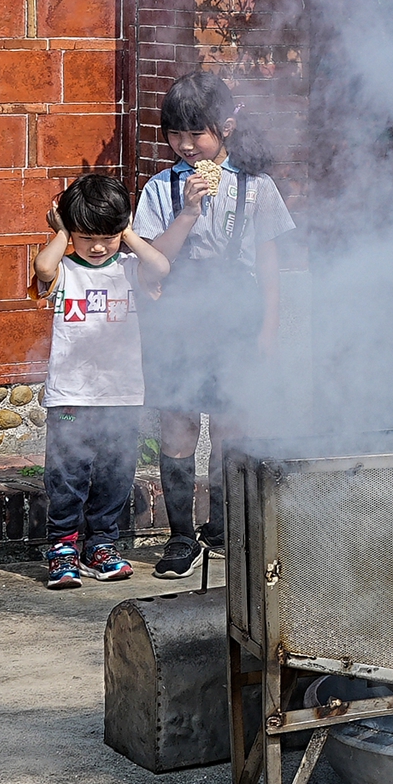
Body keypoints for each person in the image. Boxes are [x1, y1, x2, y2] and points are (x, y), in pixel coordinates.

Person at [132, 73, 296, 578]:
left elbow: (270, 266)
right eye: (174, 135)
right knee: (179, 427)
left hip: (238, 315)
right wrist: (188, 211)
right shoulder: (161, 188)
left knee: (231, 427)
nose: (184, 145)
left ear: (225, 128)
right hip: (180, 317)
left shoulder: (257, 188)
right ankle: (182, 537)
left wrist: (269, 329)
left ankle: (225, 529)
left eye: (195, 134)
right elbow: (153, 262)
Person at [34, 173, 171, 590]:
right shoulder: (64, 270)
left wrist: (126, 232)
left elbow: (161, 264)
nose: (97, 247)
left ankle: (102, 544)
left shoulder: (131, 268)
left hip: (122, 394)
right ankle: (62, 546)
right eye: (85, 236)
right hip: (70, 395)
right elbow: (42, 266)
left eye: (107, 237)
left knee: (116, 472)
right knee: (67, 472)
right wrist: (61, 231)